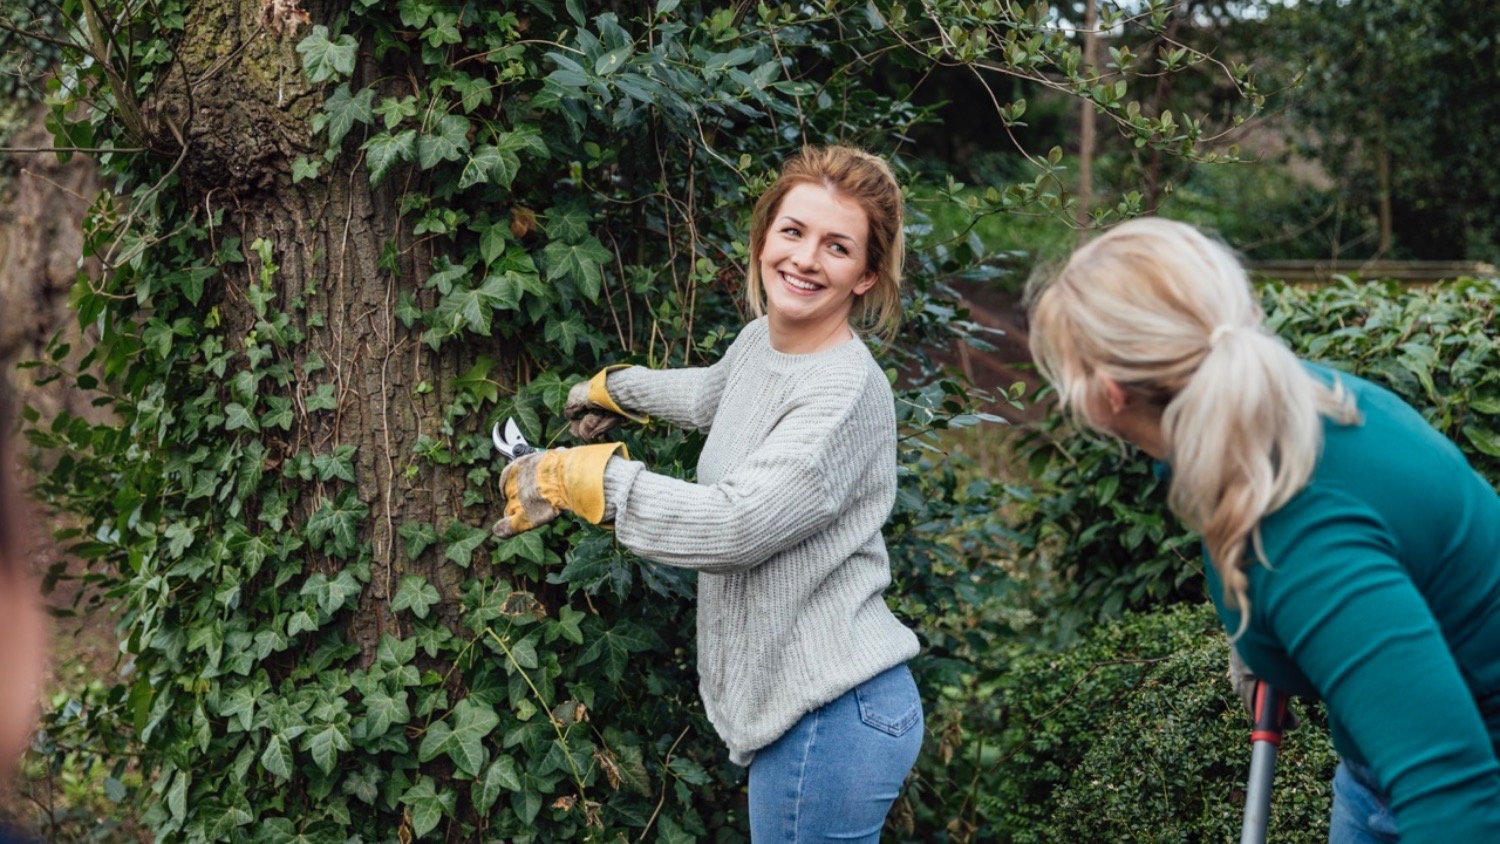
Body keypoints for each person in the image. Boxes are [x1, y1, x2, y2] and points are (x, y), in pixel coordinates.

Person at [492, 146, 923, 841]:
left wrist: (581, 478)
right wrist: (617, 390)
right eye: (793, 232)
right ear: (762, 239)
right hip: (813, 707)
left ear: (866, 275)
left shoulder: (842, 394)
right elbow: (716, 393)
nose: (806, 259)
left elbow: (736, 526)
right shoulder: (765, 343)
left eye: (837, 246)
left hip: (833, 715)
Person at [1025, 216, 1500, 842]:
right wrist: (1255, 636)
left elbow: (1456, 797)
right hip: (1378, 774)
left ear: (1108, 393)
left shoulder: (1301, 538)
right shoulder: (1279, 402)